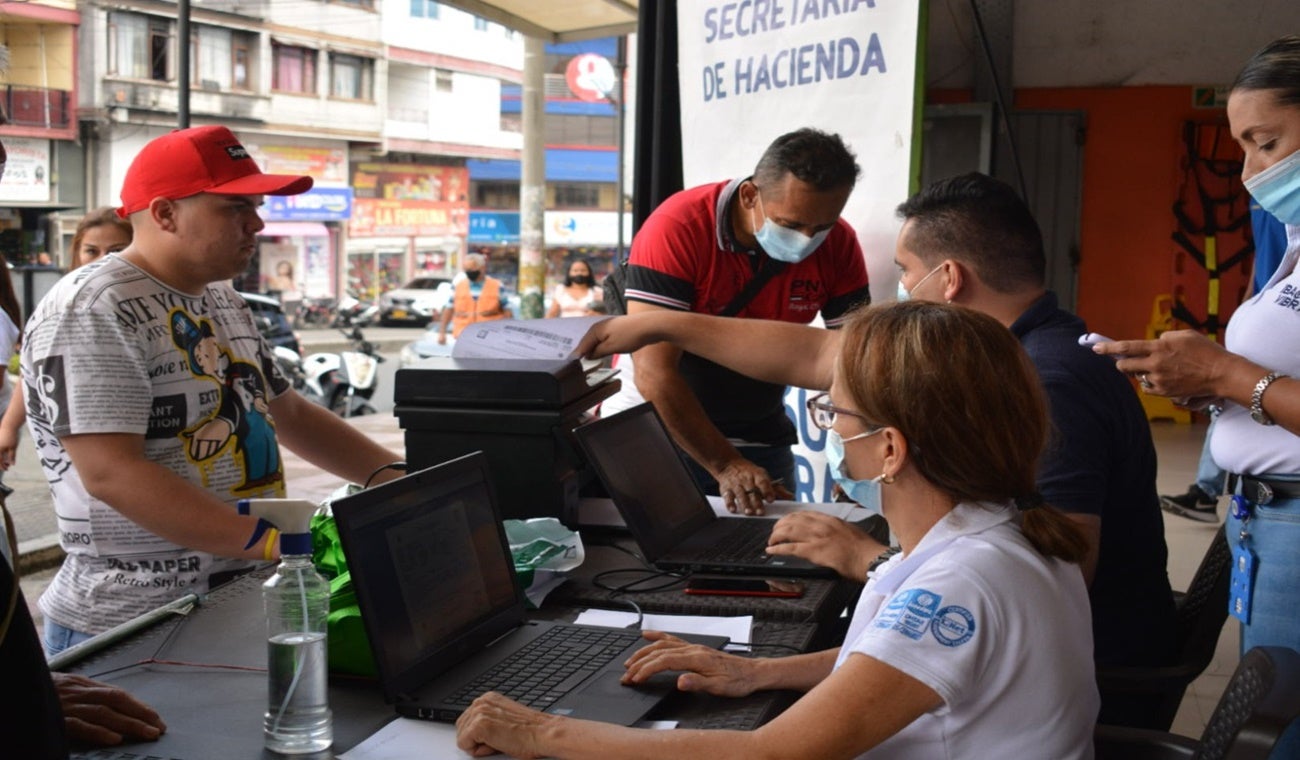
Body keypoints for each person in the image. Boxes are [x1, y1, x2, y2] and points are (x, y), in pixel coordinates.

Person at [581, 172, 1178, 724]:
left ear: (948, 280)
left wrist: (875, 565)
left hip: (1073, 673)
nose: (897, 291)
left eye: (904, 269)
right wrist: (664, 324)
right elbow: (816, 355)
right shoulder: (1018, 351)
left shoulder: (1048, 384)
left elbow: (1056, 576)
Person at [458, 302, 1098, 759]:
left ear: (890, 450)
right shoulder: (1011, 531)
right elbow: (895, 668)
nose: (833, 430)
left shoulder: (962, 581)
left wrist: (543, 734)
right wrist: (756, 673)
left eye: (834, 412)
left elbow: (766, 753)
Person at [22, 125, 403, 655]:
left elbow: (287, 411)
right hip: (132, 622)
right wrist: (277, 543)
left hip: (231, 598)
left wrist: (401, 481)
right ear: (164, 214)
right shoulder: (92, 309)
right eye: (234, 208)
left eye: (256, 206)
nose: (258, 223)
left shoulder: (223, 299)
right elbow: (111, 473)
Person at [1096, 33, 1300, 680]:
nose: (1249, 172)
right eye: (1242, 147)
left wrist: (1228, 374)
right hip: (1263, 518)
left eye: (1266, 144)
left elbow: (1256, 379)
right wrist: (1217, 384)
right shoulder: (1293, 243)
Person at [610, 128, 870, 514]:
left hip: (758, 425)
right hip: (659, 426)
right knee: (653, 564)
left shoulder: (839, 244)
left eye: (822, 226)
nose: (807, 239)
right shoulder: (679, 227)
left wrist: (858, 468)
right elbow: (655, 373)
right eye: (792, 223)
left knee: (770, 554)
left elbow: (859, 365)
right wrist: (726, 464)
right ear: (750, 196)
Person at [1160, 197, 1289, 522]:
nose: (1251, 167)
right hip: (1263, 307)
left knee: (1243, 389)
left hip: (1287, 314)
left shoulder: (1290, 191)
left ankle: (1206, 491)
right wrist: (1247, 307)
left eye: (1266, 143)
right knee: (1228, 396)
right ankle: (1208, 491)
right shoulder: (1261, 187)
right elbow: (1262, 249)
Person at [0, 207, 133, 472]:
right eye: (92, 251)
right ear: (77, 253)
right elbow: (33, 372)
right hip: (78, 445)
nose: (102, 260)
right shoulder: (61, 306)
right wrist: (9, 427)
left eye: (116, 251)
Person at [437, 252, 512, 344]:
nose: (469, 272)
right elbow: (449, 309)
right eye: (466, 269)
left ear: (482, 268)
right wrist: (442, 332)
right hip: (463, 337)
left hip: (490, 338)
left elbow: (507, 311)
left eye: (472, 268)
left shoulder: (497, 286)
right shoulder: (458, 286)